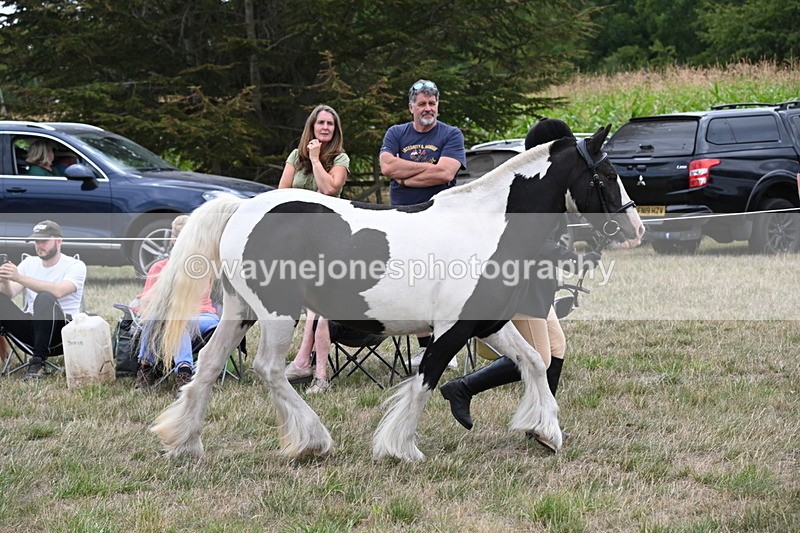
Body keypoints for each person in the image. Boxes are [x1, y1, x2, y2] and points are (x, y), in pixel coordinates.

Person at [439, 118, 600, 450]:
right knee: (536, 356)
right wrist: (566, 256)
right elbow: (528, 239)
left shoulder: (549, 184)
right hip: (522, 285)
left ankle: (544, 423)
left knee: (556, 349)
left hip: (541, 284)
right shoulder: (527, 189)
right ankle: (463, 388)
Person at [379, 79, 466, 369]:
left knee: (443, 283)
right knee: (411, 281)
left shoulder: (451, 134)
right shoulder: (396, 133)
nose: (428, 108)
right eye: (422, 104)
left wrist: (404, 177)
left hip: (440, 221)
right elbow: (387, 167)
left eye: (432, 103)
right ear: (411, 107)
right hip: (402, 221)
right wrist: (429, 168)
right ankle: (424, 348)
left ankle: (447, 347)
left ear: (437, 105)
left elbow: (445, 173)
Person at [281, 104, 349, 395]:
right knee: (313, 304)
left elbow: (331, 189)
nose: (324, 127)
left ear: (335, 130)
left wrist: (315, 158)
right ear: (312, 126)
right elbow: (281, 193)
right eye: (320, 122)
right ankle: (307, 364)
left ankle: (311, 366)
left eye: (330, 124)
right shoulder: (295, 157)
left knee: (316, 303)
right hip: (297, 238)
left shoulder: (340, 158)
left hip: (330, 238)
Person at [135, 215, 220, 390]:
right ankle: (147, 367)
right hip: (165, 321)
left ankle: (182, 371)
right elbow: (146, 304)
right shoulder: (158, 268)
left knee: (178, 320)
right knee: (156, 318)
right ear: (174, 241)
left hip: (203, 317)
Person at [0, 220, 87, 380]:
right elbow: (10, 293)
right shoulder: (29, 263)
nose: (39, 245)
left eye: (44, 241)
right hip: (30, 331)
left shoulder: (76, 265)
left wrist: (19, 277)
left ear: (59, 241)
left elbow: (59, 291)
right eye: (36, 241)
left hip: (61, 332)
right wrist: (5, 280)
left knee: (44, 297)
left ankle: (38, 363)